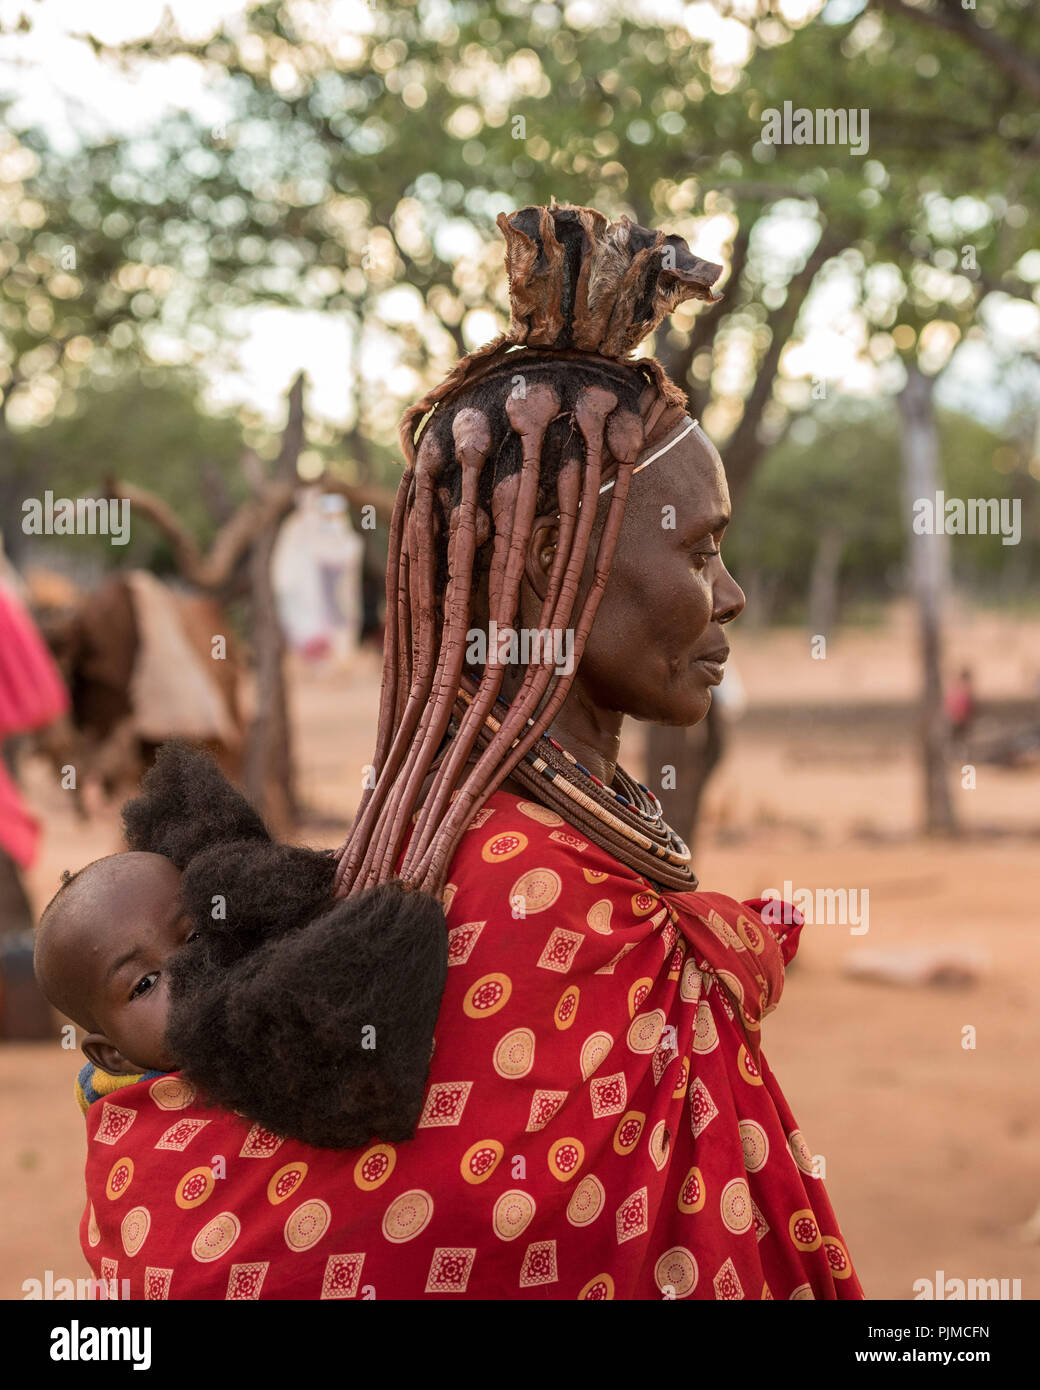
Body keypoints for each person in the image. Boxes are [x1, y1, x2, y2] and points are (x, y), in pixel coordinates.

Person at [77, 202, 862, 1300]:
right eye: (698, 549)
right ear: (547, 570)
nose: (728, 593)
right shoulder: (525, 880)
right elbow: (439, 1220)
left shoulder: (532, 850)